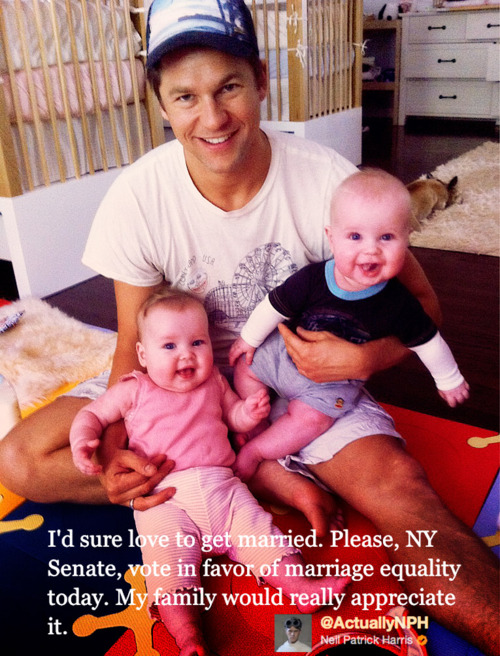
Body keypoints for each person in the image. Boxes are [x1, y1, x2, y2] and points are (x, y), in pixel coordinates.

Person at [0, 1, 497, 654]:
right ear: (161, 103)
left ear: (261, 79)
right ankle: (238, 474)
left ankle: (227, 472)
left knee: (405, 495)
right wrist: (119, 447)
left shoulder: (327, 181)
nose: (212, 118)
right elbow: (130, 345)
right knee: (20, 458)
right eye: (185, 97)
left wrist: (368, 358)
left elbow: (425, 309)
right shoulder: (137, 197)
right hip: (178, 382)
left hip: (302, 389)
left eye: (228, 87)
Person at [69, 289, 349, 656]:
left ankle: (301, 588)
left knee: (264, 536)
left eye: (197, 342)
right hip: (166, 500)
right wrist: (83, 441)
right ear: (143, 354)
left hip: (224, 490)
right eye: (169, 346)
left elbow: (234, 416)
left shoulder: (215, 381)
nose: (186, 354)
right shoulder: (135, 389)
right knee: (167, 570)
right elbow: (93, 414)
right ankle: (188, 636)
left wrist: (248, 412)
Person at [228, 169, 469, 481]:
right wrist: (248, 339)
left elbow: (428, 341)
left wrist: (449, 379)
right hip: (283, 357)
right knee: (245, 366)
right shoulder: (313, 278)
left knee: (314, 420)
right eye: (355, 237)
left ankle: (257, 451)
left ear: (406, 240)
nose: (371, 250)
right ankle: (256, 423)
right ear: (331, 238)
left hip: (331, 383)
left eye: (387, 237)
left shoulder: (398, 302)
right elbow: (273, 305)